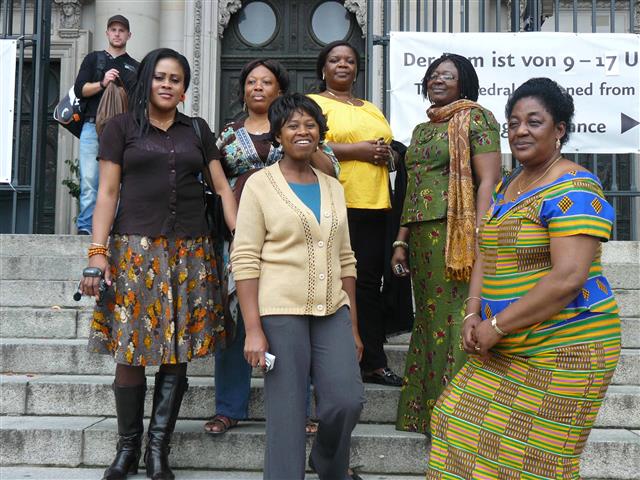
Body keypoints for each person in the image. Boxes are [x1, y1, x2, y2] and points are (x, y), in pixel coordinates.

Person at [427, 77, 621, 478]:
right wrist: (471, 314)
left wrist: (497, 324)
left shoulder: (576, 185)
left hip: (567, 348)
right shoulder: (508, 185)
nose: (520, 131)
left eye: (534, 122)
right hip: (505, 343)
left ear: (560, 130)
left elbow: (568, 277)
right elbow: (486, 254)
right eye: (513, 123)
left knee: (534, 461)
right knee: (453, 420)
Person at [80, 48, 228, 480]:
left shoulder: (198, 130)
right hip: (134, 249)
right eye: (160, 77)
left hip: (190, 250)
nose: (168, 84)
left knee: (176, 350)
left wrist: (243, 242)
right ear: (147, 82)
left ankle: (157, 449)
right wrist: (97, 252)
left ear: (184, 88)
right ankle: (127, 449)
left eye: (176, 79)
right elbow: (107, 193)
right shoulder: (120, 128)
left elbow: (221, 188)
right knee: (129, 350)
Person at [232, 93, 365, 480]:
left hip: (332, 310)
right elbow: (244, 259)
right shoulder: (259, 186)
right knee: (287, 416)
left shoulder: (333, 187)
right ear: (277, 136)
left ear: (320, 134)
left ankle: (326, 462)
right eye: (292, 125)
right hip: (279, 312)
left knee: (347, 400)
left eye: (310, 125)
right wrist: (253, 328)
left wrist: (353, 325)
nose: (302, 131)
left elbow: (346, 259)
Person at [204, 58, 338, 436]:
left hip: (292, 239)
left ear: (280, 89)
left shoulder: (299, 129)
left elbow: (331, 172)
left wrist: (295, 134)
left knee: (299, 317)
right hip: (240, 234)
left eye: (266, 82)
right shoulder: (227, 134)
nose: (257, 87)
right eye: (251, 82)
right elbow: (214, 182)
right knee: (234, 319)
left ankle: (307, 407)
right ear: (242, 89)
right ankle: (229, 406)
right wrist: (234, 224)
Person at [392, 53, 502, 434]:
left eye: (448, 76)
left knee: (453, 318)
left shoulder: (477, 118)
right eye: (434, 75)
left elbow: (488, 179)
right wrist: (400, 241)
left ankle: (455, 415)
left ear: (463, 82)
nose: (438, 80)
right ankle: (424, 411)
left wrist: (480, 230)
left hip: (457, 231)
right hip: (421, 235)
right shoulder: (423, 130)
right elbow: (413, 188)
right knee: (428, 319)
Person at [308, 40, 403, 387]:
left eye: (349, 60)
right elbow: (305, 141)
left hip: (376, 204)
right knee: (333, 281)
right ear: (323, 68)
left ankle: (373, 361)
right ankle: (333, 359)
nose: (343, 65)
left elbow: (389, 149)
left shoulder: (371, 107)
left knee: (368, 285)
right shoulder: (314, 104)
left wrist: (386, 156)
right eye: (335, 59)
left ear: (357, 69)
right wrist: (358, 151)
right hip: (334, 201)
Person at [73, 14, 139, 235]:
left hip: (121, 131)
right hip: (92, 126)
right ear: (107, 33)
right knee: (89, 179)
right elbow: (80, 90)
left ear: (129, 35)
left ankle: (112, 229)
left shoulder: (134, 67)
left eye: (122, 30)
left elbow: (138, 102)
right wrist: (103, 82)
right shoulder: (94, 59)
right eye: (113, 29)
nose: (117, 33)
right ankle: (85, 228)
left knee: (118, 182)